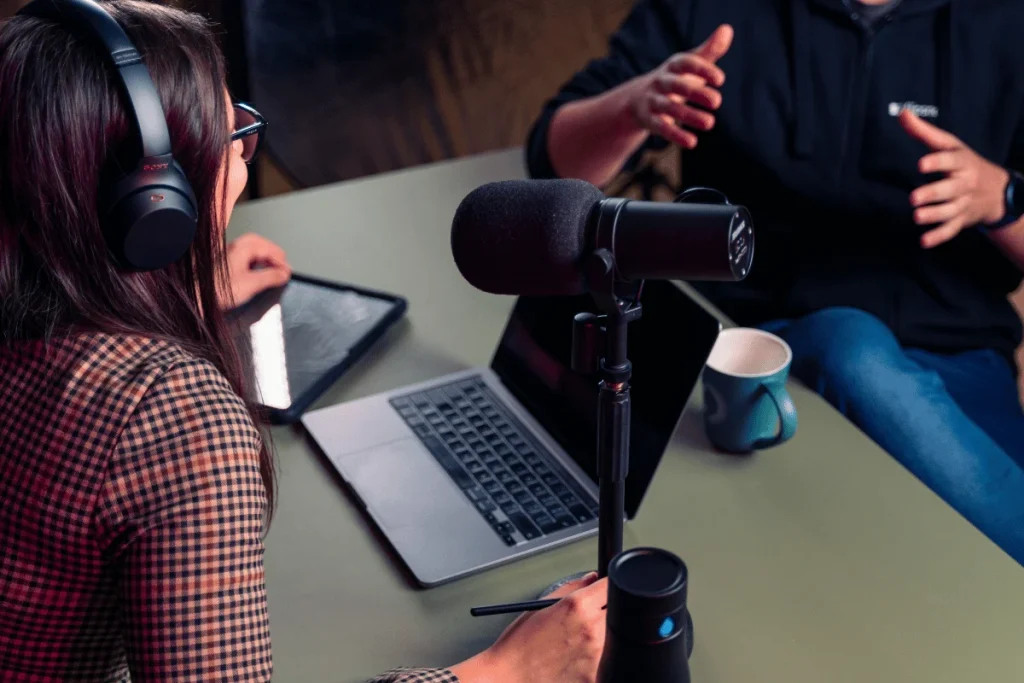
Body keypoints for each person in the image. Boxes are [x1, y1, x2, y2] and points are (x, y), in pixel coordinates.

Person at [0, 2, 608, 681]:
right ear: (156, 208)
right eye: (234, 135)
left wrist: (176, 290)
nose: (243, 152)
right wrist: (509, 670)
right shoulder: (172, 420)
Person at [526, 0, 1024, 564]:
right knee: (849, 348)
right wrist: (634, 107)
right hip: (741, 353)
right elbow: (551, 166)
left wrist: (1002, 198)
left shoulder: (1007, 23)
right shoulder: (713, 11)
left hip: (954, 359)